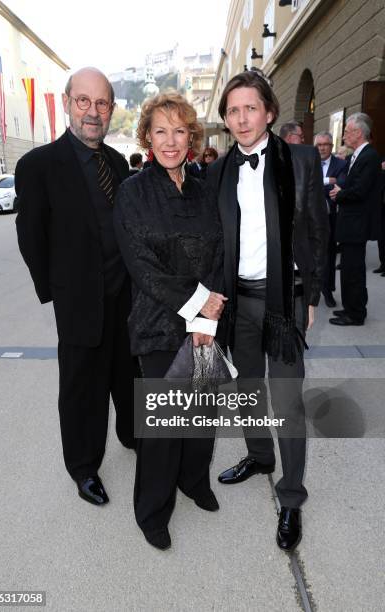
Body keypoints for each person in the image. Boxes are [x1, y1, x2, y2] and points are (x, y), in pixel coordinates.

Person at [207, 70, 327, 552]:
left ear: (269, 112)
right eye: (233, 110)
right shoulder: (217, 170)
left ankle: (292, 498)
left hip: (286, 299)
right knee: (247, 386)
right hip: (238, 300)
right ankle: (259, 456)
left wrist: (313, 297)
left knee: (287, 399)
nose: (241, 118)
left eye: (250, 108)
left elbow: (318, 231)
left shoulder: (299, 160)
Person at [15, 67, 136, 506]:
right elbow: (31, 237)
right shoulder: (38, 166)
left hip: (127, 299)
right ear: (67, 101)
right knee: (82, 389)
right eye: (83, 100)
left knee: (128, 375)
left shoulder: (119, 164)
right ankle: (84, 467)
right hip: (80, 301)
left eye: (102, 103)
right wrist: (58, 293)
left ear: (111, 110)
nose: (93, 111)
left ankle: (132, 434)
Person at [113, 92, 225, 551]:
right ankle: (152, 510)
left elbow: (222, 248)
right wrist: (199, 304)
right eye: (161, 130)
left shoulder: (204, 188)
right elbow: (142, 266)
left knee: (202, 411)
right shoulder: (133, 192)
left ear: (192, 135)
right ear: (147, 137)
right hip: (159, 321)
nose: (171, 140)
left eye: (180, 130)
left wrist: (212, 309)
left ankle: (194, 481)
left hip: (208, 318)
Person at [329, 113, 382, 325]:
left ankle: (356, 313)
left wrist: (339, 193)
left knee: (354, 271)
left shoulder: (369, 156)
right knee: (349, 269)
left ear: (358, 133)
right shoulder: (357, 155)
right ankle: (350, 307)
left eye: (347, 132)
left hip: (357, 224)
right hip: (351, 223)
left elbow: (360, 190)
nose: (343, 136)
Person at [314, 131, 347, 307]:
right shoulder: (309, 161)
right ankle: (310, 292)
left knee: (328, 256)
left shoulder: (340, 163)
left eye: (325, 144)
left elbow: (341, 181)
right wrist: (328, 180)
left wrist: (319, 182)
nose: (322, 148)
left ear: (331, 146)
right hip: (309, 219)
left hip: (330, 218)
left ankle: (327, 291)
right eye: (319, 145)